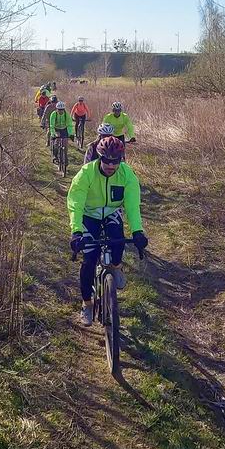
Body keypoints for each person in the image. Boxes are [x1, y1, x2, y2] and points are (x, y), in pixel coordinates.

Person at [67, 136, 149, 326]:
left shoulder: (127, 175)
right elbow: (76, 203)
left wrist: (137, 231)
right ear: (99, 157)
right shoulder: (86, 173)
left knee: (118, 242)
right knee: (89, 260)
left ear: (121, 159)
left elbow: (132, 205)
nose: (111, 165)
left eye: (116, 161)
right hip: (89, 215)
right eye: (106, 160)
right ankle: (87, 304)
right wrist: (76, 231)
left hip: (112, 213)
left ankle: (117, 266)